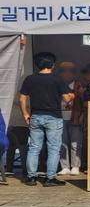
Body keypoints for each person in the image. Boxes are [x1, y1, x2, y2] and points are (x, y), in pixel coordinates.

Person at [19, 52, 74, 186]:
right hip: (53, 117)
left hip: (36, 116)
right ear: (52, 65)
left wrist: (25, 113)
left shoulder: (29, 79)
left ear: (37, 64)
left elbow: (22, 98)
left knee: (34, 147)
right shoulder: (57, 79)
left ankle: (31, 178)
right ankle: (50, 178)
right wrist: (72, 95)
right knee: (54, 148)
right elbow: (67, 99)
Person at [57, 62, 83, 176]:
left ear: (73, 73)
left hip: (75, 118)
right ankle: (64, 167)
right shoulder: (57, 84)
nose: (66, 74)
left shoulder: (78, 86)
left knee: (75, 143)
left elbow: (83, 101)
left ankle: (75, 166)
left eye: (69, 71)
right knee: (62, 143)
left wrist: (83, 115)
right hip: (59, 117)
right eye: (63, 71)